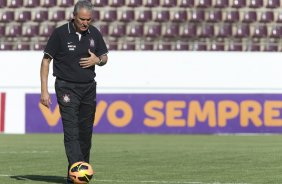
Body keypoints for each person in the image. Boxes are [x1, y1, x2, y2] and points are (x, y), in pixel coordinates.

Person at [40, 0, 108, 183]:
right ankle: (77, 173)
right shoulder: (60, 33)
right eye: (82, 19)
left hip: (88, 88)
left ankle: (80, 172)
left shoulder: (94, 33)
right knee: (71, 131)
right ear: (74, 16)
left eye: (89, 19)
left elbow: (104, 57)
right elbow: (46, 61)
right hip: (66, 87)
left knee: (85, 132)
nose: (86, 23)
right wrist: (44, 91)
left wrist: (98, 61)